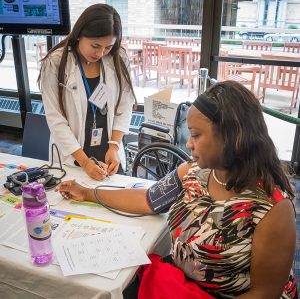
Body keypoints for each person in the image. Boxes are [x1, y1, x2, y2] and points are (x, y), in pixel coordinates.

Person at [56, 81, 297, 298]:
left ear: (232, 136)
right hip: (183, 287)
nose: (188, 143)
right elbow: (147, 200)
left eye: (196, 135)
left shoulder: (273, 208)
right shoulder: (194, 171)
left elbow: (265, 294)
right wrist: (89, 193)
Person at [39, 4, 136, 180]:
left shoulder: (117, 58)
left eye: (108, 47)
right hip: (73, 155)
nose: (100, 53)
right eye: (95, 45)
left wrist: (114, 147)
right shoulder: (55, 63)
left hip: (108, 152)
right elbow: (56, 120)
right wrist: (85, 162)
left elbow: (125, 105)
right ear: (79, 34)